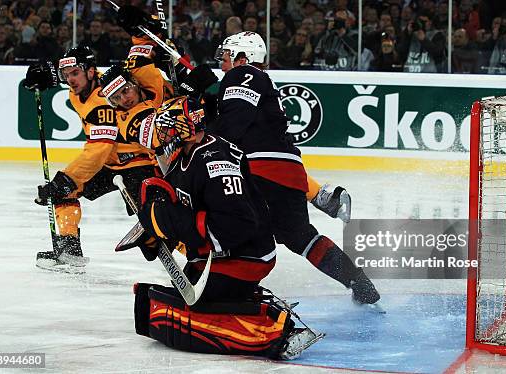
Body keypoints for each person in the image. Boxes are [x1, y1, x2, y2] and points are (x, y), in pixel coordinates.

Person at [129, 95, 323, 359]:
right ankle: (243, 302)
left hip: (246, 256)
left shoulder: (215, 163)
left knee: (177, 316)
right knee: (160, 302)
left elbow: (237, 226)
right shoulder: (184, 157)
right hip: (217, 255)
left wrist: (170, 222)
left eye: (168, 129)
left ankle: (272, 331)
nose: (162, 137)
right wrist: (158, 232)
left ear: (187, 127)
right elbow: (184, 210)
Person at [211, 31, 380, 305]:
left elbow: (232, 125)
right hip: (288, 173)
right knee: (300, 237)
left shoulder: (244, 74)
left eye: (227, 57)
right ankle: (359, 283)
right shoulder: (258, 80)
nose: (223, 65)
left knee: (235, 229)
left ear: (243, 57)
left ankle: (229, 293)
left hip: (259, 170)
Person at [23, 46, 159, 272]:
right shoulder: (78, 91)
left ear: (90, 71)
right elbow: (100, 153)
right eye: (65, 75)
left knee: (156, 221)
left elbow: (99, 149)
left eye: (75, 73)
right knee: (65, 192)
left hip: (138, 164)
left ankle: (195, 252)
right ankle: (68, 250)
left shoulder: (102, 99)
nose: (70, 79)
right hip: (110, 164)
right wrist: (46, 73)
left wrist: (65, 178)